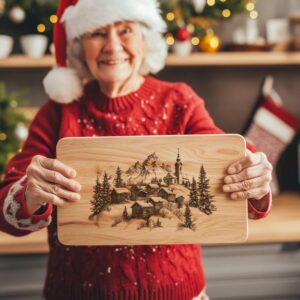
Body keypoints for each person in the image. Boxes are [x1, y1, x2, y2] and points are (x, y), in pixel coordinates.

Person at [0, 0, 273, 299]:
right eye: (97, 33)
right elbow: (6, 212)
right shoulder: (57, 113)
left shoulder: (179, 100)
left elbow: (224, 156)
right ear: (79, 45)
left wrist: (253, 176)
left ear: (145, 38)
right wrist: (29, 192)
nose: (112, 46)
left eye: (125, 30)